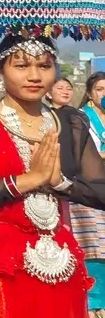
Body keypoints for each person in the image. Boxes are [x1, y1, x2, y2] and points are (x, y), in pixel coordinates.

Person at [0, 33, 105, 317]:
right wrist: (26, 180)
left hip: (60, 257)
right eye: (21, 66)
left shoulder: (70, 123)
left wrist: (60, 183)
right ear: (0, 70)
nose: (34, 76)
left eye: (44, 66)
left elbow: (101, 190)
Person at [76, 72, 105, 317]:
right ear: (89, 93)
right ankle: (93, 301)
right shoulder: (81, 118)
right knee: (93, 244)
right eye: (100, 89)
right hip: (89, 189)